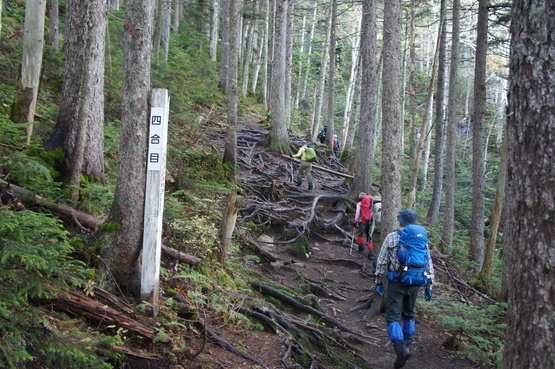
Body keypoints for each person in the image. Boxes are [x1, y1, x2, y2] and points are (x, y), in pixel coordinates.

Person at [374, 209, 435, 369]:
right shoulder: (421, 238)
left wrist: (378, 282)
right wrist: (429, 284)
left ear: (401, 221)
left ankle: (401, 348)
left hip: (396, 282)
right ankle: (408, 344)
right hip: (415, 282)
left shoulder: (392, 236)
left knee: (393, 317)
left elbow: (381, 262)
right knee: (409, 314)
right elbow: (427, 261)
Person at [354, 193, 376, 269]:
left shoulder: (359, 204)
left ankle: (361, 248)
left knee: (360, 234)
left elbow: (357, 212)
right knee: (370, 236)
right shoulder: (373, 204)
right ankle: (371, 253)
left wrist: (355, 221)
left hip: (362, 221)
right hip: (371, 221)